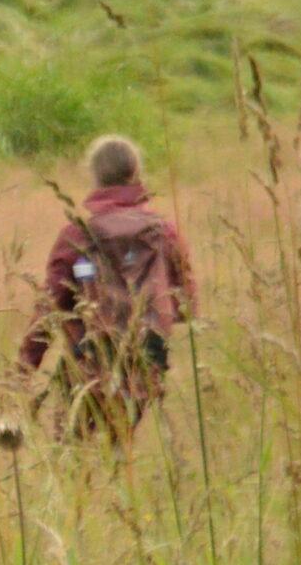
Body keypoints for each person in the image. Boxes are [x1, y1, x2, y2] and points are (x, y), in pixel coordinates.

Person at [17, 134, 196, 442]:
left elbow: (48, 309)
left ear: (94, 176)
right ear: (136, 172)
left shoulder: (78, 233)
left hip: (86, 364)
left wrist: (22, 371)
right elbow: (187, 306)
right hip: (144, 364)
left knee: (73, 456)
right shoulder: (163, 232)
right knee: (118, 451)